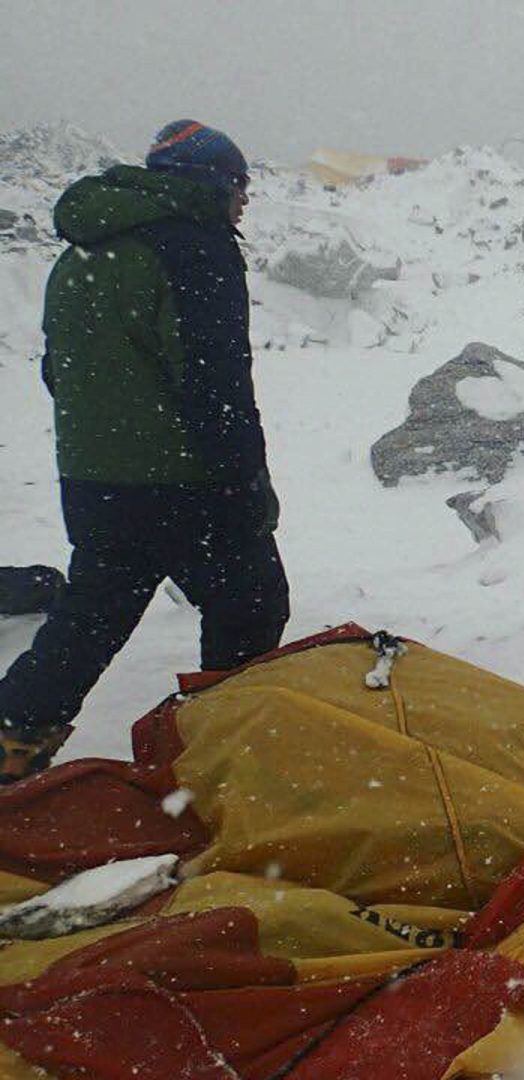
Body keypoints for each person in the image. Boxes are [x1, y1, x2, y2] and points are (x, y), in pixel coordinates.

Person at [0, 120, 289, 783]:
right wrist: (247, 491)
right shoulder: (195, 248)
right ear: (209, 183)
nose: (243, 200)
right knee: (251, 603)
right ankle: (220, 760)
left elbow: (58, 373)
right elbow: (216, 384)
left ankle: (13, 737)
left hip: (95, 483)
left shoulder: (80, 254)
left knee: (91, 619)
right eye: (238, 185)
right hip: (182, 482)